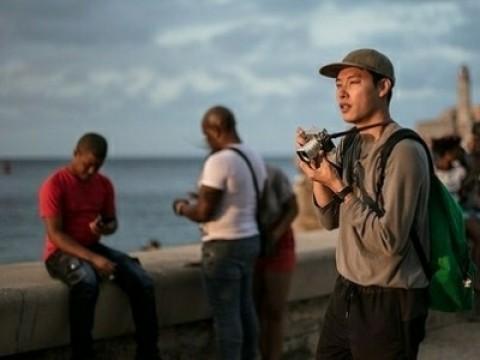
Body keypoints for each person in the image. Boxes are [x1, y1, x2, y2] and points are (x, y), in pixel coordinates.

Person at [296, 49, 430, 359]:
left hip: (390, 301)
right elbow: (330, 219)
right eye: (338, 85)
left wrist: (338, 185)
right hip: (346, 291)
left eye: (353, 82)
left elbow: (389, 240)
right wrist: (319, 172)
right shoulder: (351, 141)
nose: (342, 92)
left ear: (383, 88)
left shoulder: (404, 151)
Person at [39, 133, 160, 360]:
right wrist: (94, 259)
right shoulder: (54, 185)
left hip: (92, 246)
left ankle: (148, 352)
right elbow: (55, 234)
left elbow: (112, 222)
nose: (92, 171)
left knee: (142, 280)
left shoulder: (103, 184)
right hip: (60, 253)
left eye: (98, 166)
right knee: (87, 282)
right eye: (88, 165)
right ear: (76, 154)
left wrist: (104, 228)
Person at [172, 105, 266, 360]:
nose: (206, 141)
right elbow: (244, 198)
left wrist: (181, 207)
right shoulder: (253, 156)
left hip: (223, 247)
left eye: (207, 134)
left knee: (227, 319)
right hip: (250, 239)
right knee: (246, 311)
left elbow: (204, 212)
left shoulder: (219, 160)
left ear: (216, 129)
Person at [253, 165, 298, 360]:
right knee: (257, 311)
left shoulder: (271, 173)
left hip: (278, 243)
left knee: (274, 310)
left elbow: (293, 208)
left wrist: (274, 235)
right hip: (251, 243)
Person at [431, 135, 467, 201]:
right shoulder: (432, 173)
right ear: (447, 153)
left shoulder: (460, 170)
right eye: (456, 150)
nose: (459, 152)